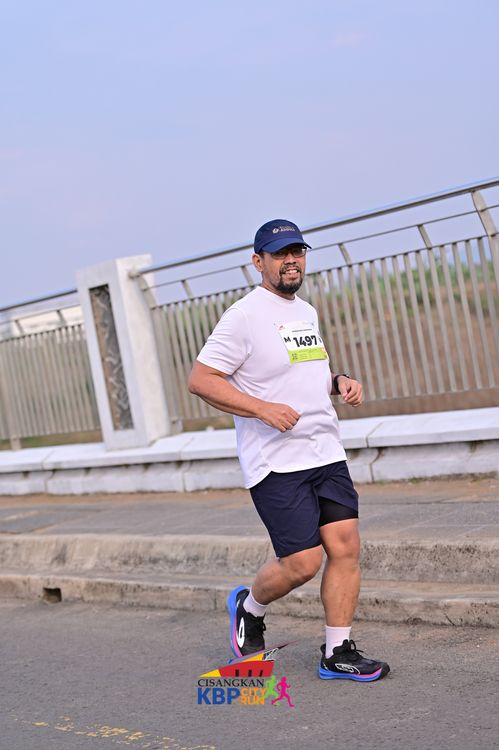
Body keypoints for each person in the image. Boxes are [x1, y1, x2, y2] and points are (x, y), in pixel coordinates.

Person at [188, 219, 390, 682]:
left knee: (345, 547)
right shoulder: (243, 316)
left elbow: (302, 371)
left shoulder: (306, 312)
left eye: (297, 252)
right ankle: (250, 607)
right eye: (280, 254)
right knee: (303, 563)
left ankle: (337, 652)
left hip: (325, 451)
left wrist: (338, 381)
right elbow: (201, 380)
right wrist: (261, 409)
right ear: (258, 262)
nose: (291, 261)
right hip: (276, 461)